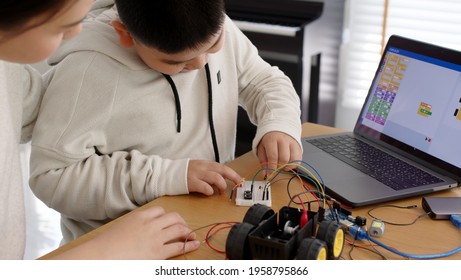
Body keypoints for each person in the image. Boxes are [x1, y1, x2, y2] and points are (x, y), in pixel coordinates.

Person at [29, 0, 303, 243]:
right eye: (178, 62)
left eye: (214, 45)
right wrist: (166, 177)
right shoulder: (86, 71)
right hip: (126, 249)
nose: (200, 63)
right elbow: (52, 177)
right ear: (125, 35)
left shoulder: (209, 24)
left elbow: (264, 80)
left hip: (207, 225)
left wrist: (279, 122)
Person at [0, 0, 200, 260]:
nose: (75, 34)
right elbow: (54, 172)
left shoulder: (9, 69)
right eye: (64, 26)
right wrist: (107, 253)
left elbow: (35, 106)